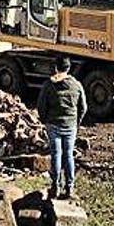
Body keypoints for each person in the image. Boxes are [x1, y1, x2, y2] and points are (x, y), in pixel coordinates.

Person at [37, 56, 87, 200]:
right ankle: (70, 188)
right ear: (68, 68)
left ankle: (55, 187)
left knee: (56, 155)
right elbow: (83, 107)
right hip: (70, 125)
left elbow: (41, 106)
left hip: (53, 125)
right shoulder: (76, 85)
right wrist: (76, 122)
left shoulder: (49, 85)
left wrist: (45, 121)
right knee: (69, 155)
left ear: (56, 68)